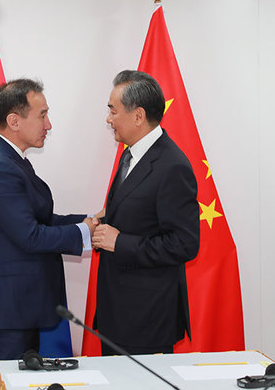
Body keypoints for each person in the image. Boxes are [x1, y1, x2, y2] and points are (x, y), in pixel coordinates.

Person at [0, 78, 98, 389]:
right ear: (14, 121)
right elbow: (30, 236)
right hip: (4, 316)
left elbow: (41, 218)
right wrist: (84, 232)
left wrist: (90, 221)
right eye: (42, 115)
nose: (48, 125)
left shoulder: (10, 160)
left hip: (18, 311)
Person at [91, 70, 200, 356]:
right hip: (118, 315)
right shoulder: (131, 154)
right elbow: (142, 214)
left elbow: (185, 243)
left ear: (138, 116)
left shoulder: (171, 165)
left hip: (146, 321)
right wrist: (106, 220)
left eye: (113, 111)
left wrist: (120, 241)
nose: (108, 119)